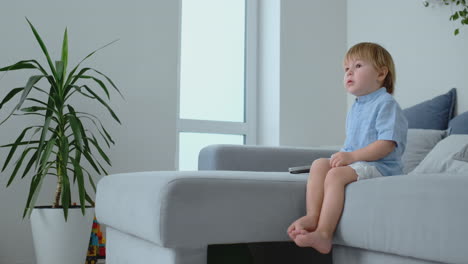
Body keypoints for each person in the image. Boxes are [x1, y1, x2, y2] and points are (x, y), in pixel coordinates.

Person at [287, 42, 408, 254]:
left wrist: (351, 156)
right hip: (359, 162)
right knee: (319, 164)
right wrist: (343, 156)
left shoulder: (386, 103)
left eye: (358, 66)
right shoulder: (357, 107)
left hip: (382, 167)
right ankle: (313, 216)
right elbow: (353, 143)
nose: (349, 72)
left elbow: (386, 145)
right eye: (346, 69)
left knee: (335, 176)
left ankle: (324, 233)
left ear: (381, 73)